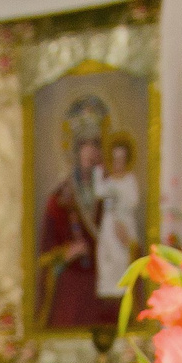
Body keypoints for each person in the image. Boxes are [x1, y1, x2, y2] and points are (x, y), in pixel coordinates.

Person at [36, 94, 115, 330]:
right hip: (72, 289)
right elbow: (45, 255)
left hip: (107, 281)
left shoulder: (115, 192)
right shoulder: (59, 199)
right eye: (84, 145)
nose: (91, 152)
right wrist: (66, 252)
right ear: (74, 149)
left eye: (96, 144)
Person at [92, 134, 144, 302]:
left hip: (124, 224)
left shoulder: (129, 180)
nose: (117, 164)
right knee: (106, 257)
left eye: (121, 160)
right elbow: (99, 192)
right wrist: (98, 171)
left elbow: (132, 201)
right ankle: (108, 295)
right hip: (109, 225)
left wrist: (121, 222)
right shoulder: (109, 181)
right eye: (114, 159)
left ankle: (123, 293)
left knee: (121, 258)